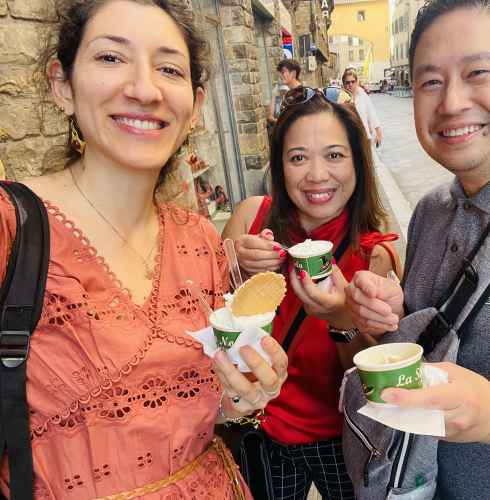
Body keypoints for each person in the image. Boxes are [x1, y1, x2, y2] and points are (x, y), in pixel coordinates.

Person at [0, 1, 288, 498]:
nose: (144, 89)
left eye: (169, 69)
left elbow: (197, 409)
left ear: (195, 106)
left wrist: (241, 400)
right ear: (61, 84)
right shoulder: (11, 226)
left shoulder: (201, 242)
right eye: (111, 58)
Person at [222, 86, 401, 500]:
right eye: (298, 157)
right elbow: (211, 325)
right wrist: (234, 270)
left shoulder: (376, 255)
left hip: (342, 438)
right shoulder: (252, 218)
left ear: (359, 163)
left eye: (335, 155)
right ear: (280, 167)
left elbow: (379, 383)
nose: (317, 175)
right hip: (264, 429)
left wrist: (341, 319)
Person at [345, 1, 490, 498]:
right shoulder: (431, 209)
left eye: (478, 73)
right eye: (430, 81)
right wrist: (391, 313)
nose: (451, 102)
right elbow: (431, 334)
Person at [342, 68, 382, 147]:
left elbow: (372, 114)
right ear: (344, 84)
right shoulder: (341, 98)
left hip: (364, 138)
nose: (350, 84)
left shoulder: (363, 96)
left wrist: (378, 132)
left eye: (353, 81)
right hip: (348, 140)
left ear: (357, 82)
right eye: (347, 82)